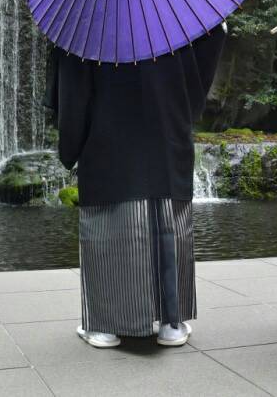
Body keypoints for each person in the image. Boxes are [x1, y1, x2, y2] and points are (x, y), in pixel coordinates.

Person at [45, 24, 226, 348]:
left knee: (109, 228)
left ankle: (105, 327)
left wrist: (70, 145)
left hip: (108, 141)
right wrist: (218, 31)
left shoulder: (82, 21)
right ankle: (171, 322)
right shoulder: (176, 14)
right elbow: (197, 83)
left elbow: (72, 94)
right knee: (168, 225)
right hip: (166, 136)